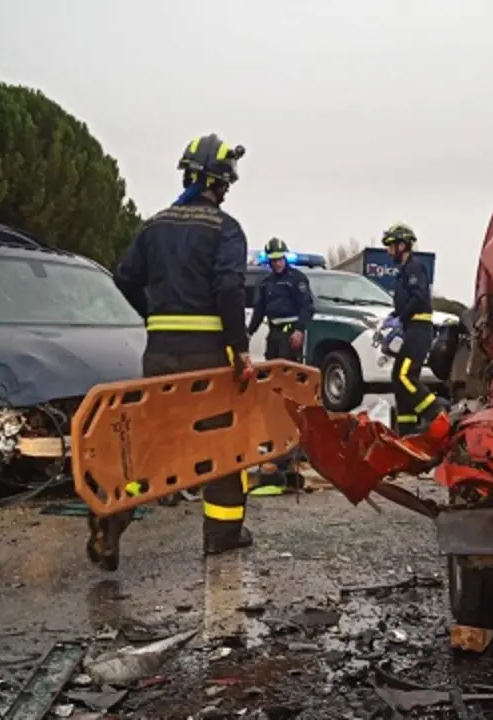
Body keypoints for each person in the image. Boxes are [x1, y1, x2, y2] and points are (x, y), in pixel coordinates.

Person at [90, 132, 257, 571]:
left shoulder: (154, 226)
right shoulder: (226, 229)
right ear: (219, 183)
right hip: (208, 360)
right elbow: (229, 288)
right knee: (224, 444)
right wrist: (239, 349)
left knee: (151, 446)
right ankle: (221, 536)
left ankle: (111, 518)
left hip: (160, 357)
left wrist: (153, 315)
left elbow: (124, 278)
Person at [246, 237, 314, 494]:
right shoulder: (266, 283)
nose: (277, 263)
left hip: (290, 336)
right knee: (273, 388)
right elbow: (259, 311)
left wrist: (299, 330)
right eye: (273, 260)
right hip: (274, 336)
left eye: (280, 259)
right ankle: (275, 436)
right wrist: (247, 333)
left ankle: (294, 444)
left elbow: (307, 307)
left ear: (285, 257)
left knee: (291, 388)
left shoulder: (296, 279)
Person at [380, 223, 449, 436]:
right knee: (398, 379)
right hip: (411, 328)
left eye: (391, 246)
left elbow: (419, 299)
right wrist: (394, 316)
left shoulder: (414, 268)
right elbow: (406, 301)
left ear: (402, 245)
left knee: (404, 376)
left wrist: (401, 318)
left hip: (419, 329)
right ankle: (407, 431)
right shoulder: (404, 271)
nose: (388, 251)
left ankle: (436, 412)